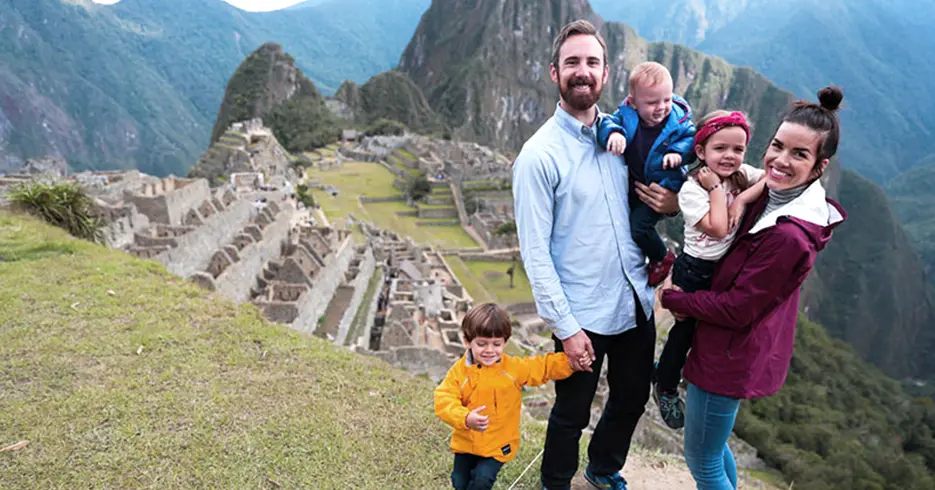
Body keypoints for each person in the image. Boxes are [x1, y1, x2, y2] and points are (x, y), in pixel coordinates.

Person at [512, 19, 679, 490]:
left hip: (632, 299)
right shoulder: (539, 156)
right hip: (582, 311)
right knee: (571, 411)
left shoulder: (627, 138)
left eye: (592, 62)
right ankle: (556, 483)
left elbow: (657, 189)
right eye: (572, 62)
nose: (582, 71)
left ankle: (603, 468)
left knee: (631, 398)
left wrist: (670, 205)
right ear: (555, 72)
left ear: (606, 73)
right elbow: (536, 254)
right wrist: (566, 329)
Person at [661, 86, 848, 490]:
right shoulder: (774, 193)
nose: (780, 160)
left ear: (820, 166)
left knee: (702, 460)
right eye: (777, 146)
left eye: (799, 154)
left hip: (728, 354)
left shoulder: (789, 236)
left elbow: (738, 308)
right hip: (727, 344)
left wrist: (676, 298)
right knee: (712, 449)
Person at [652, 110, 766, 430]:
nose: (730, 156)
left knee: (709, 333)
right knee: (684, 333)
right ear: (701, 151)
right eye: (720, 148)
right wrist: (716, 189)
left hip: (723, 268)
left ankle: (675, 376)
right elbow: (717, 228)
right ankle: (665, 384)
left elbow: (771, 178)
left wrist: (741, 199)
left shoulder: (740, 175)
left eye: (738, 149)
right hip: (694, 270)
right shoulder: (693, 189)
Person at [434, 303, 578, 490]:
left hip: (498, 445)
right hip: (466, 443)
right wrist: (465, 417)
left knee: (482, 480)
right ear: (468, 341)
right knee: (459, 481)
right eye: (482, 344)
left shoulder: (513, 369)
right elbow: (443, 399)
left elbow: (542, 367)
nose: (489, 350)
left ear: (505, 342)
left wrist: (571, 362)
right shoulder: (460, 373)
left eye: (497, 344)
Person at [597, 61, 697, 286]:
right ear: (633, 103)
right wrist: (614, 134)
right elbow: (607, 123)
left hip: (662, 185)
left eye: (667, 100)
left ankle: (662, 257)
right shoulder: (626, 116)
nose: (661, 107)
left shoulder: (678, 121)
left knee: (638, 227)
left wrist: (678, 153)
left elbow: (692, 140)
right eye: (652, 102)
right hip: (634, 185)